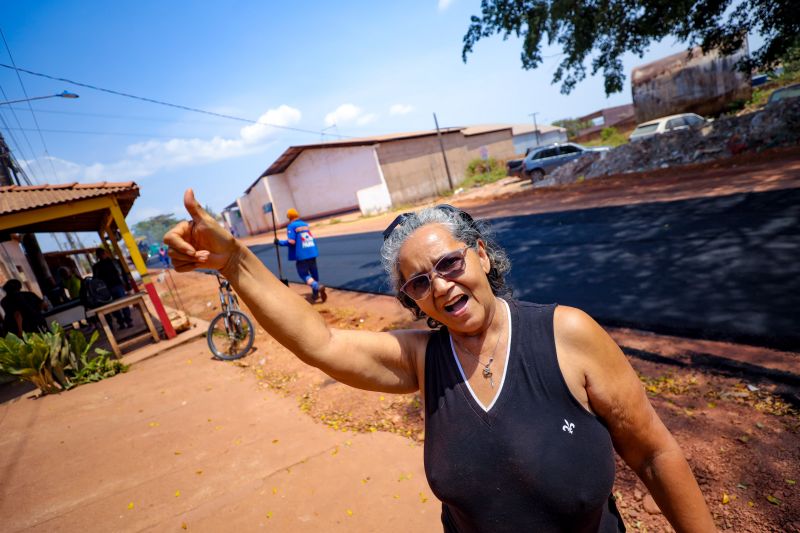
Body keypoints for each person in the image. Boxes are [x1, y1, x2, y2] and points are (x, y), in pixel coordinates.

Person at [165, 189, 715, 532]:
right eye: (419, 283)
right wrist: (235, 261)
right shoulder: (423, 361)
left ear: (480, 252)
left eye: (450, 263)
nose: (441, 286)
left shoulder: (565, 333)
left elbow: (653, 453)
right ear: (411, 299)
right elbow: (321, 344)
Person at [274, 207, 327, 302]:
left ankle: (316, 286)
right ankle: (315, 294)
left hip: (301, 255)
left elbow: (292, 242)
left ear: (289, 217)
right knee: (314, 274)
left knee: (303, 274)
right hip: (311, 252)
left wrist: (279, 242)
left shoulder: (291, 226)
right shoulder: (305, 224)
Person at [92, 247, 133, 329]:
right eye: (99, 254)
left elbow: (123, 273)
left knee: (124, 304)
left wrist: (128, 284)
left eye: (103, 253)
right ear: (97, 256)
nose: (102, 255)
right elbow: (96, 280)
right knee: (113, 308)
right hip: (106, 290)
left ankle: (128, 321)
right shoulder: (96, 267)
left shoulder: (115, 262)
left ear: (106, 253)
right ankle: (121, 323)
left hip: (118, 286)